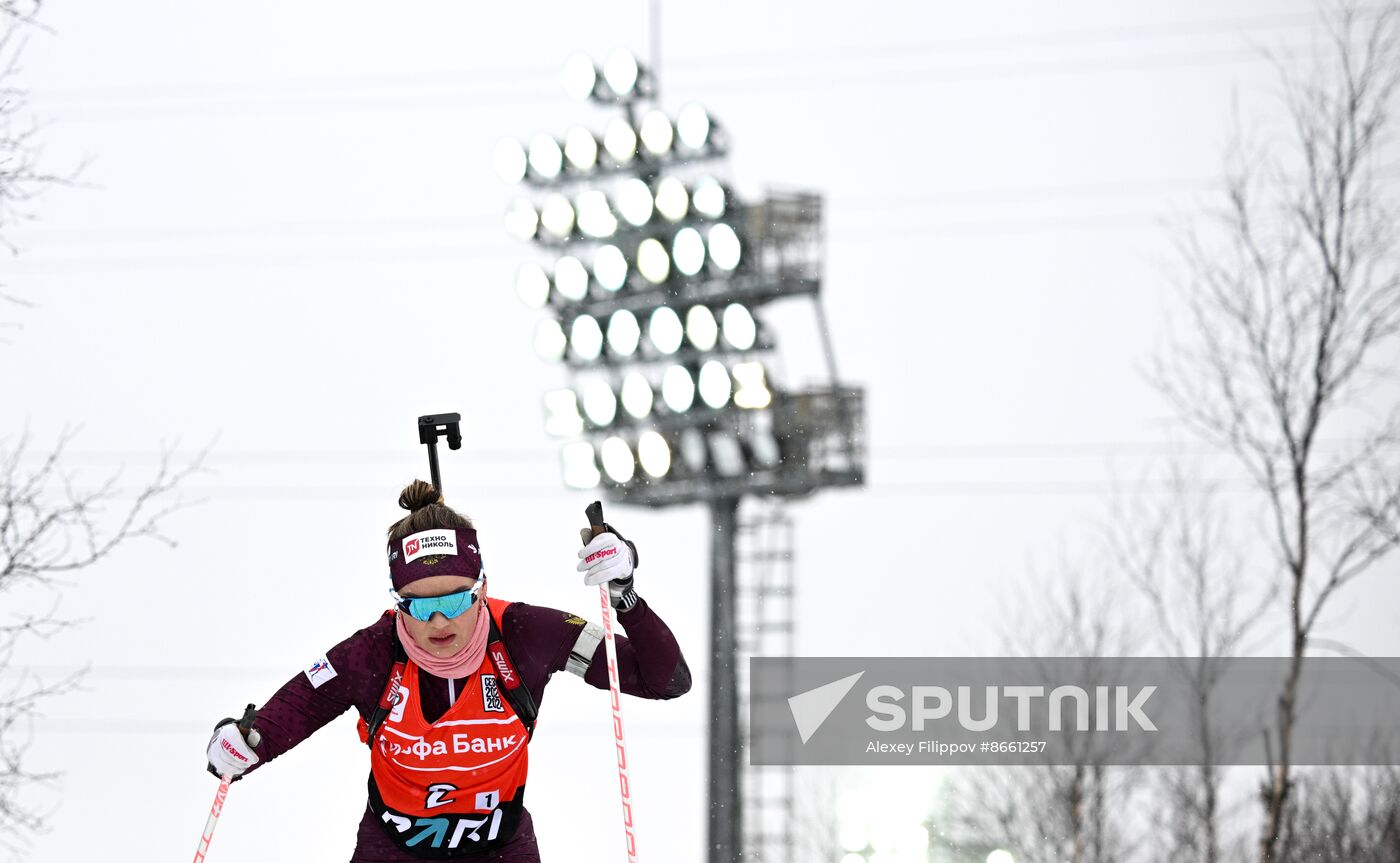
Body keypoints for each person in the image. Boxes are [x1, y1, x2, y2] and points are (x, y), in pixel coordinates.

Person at [204, 479, 691, 861]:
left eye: (456, 599)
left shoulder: (524, 633)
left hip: (501, 852)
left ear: (481, 588)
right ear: (396, 604)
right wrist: (242, 744)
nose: (438, 620)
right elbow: (290, 711)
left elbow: (664, 680)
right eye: (416, 606)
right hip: (392, 853)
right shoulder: (372, 653)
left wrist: (625, 596)